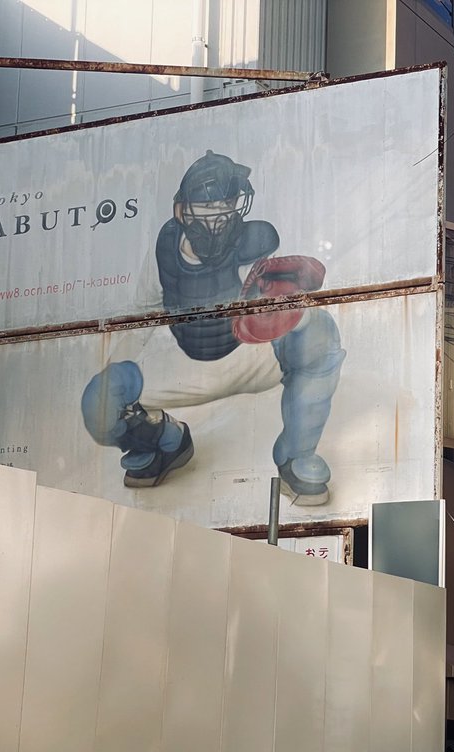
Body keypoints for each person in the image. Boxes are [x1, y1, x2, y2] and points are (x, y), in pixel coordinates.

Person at [81, 150, 345, 503]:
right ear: (182, 211)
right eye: (207, 209)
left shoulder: (258, 242)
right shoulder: (164, 247)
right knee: (98, 403)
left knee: (319, 331)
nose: (218, 220)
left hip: (248, 354)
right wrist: (114, 375)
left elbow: (286, 307)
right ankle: (163, 440)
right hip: (183, 364)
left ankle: (297, 456)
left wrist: (294, 311)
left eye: (227, 208)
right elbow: (143, 312)